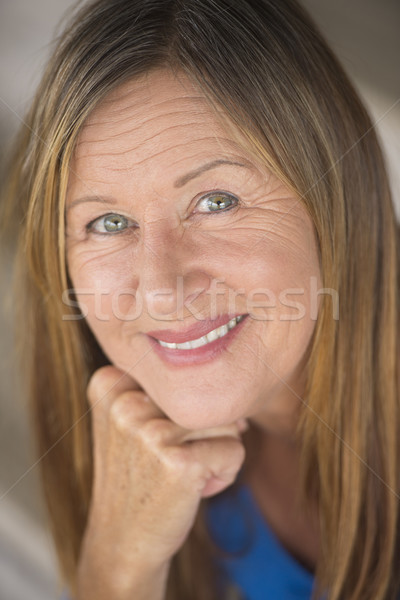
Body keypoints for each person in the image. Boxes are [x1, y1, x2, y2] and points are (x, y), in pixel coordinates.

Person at [2, 0, 399, 598]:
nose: (161, 287)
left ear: (334, 198)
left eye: (217, 202)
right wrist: (119, 562)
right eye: (108, 223)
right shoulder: (141, 468)